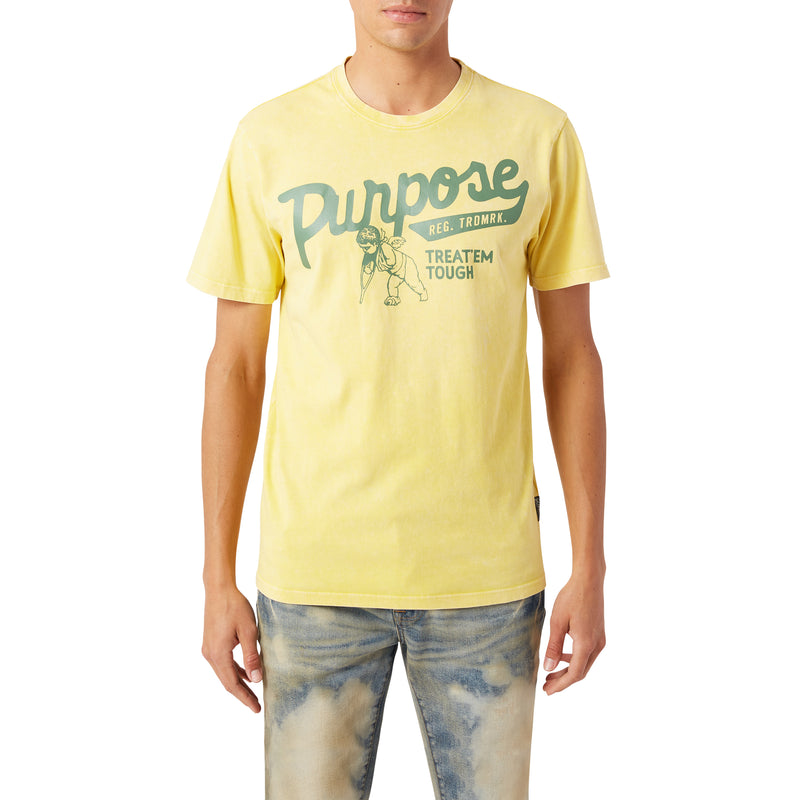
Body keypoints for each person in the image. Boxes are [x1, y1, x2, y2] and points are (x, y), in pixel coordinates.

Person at [189, 2, 608, 798]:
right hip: (315, 580)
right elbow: (234, 366)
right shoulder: (270, 138)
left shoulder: (537, 135)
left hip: (487, 580)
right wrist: (216, 579)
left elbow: (573, 357)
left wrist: (590, 567)